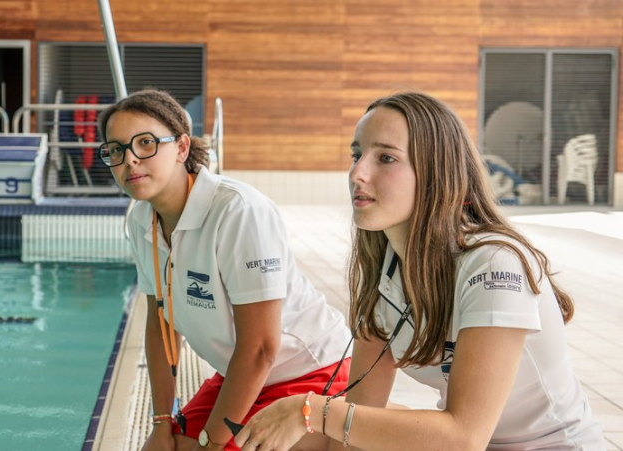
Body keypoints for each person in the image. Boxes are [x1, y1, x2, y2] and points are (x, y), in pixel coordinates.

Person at [233, 92, 605, 450]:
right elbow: (360, 417)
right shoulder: (387, 271)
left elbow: (463, 439)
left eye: (386, 158)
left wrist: (312, 411)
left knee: (315, 419)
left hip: (547, 445)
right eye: (357, 154)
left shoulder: (493, 264)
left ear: (435, 173)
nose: (357, 172)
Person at [97, 89, 353, 451]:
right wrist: (161, 423)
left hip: (311, 372)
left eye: (146, 143)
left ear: (182, 148)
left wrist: (215, 443)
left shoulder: (237, 211)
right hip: (241, 374)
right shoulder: (141, 220)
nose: (130, 160)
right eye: (116, 150)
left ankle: (346, 433)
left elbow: (262, 347)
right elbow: (161, 324)